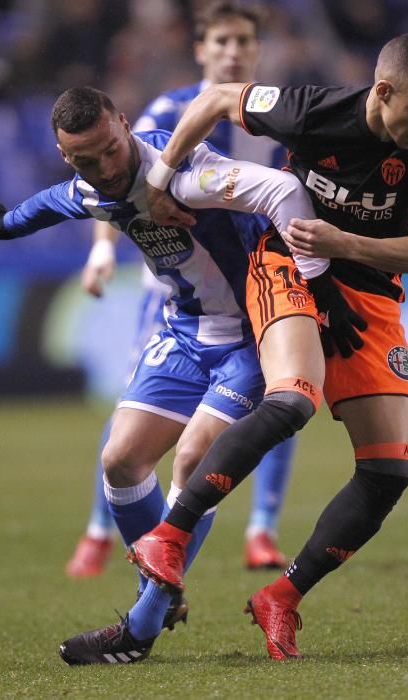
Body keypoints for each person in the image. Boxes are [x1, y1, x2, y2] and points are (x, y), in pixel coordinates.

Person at [0, 85, 332, 664]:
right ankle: (158, 592)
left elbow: (278, 189)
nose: (105, 168)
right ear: (67, 156)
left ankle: (142, 624)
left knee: (191, 458)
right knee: (120, 459)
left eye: (111, 149)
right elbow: (34, 211)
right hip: (184, 333)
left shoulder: (182, 170)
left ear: (125, 124)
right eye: (87, 160)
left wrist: (313, 278)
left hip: (250, 336)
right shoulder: (88, 188)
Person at [128, 32, 408, 660]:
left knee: (391, 467)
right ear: (382, 91)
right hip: (287, 264)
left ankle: (281, 597)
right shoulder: (313, 109)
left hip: (368, 288)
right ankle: (169, 536)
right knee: (294, 399)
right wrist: (161, 176)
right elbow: (215, 100)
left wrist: (344, 243)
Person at [66, 0, 294, 579]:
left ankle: (261, 528)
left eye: (243, 41)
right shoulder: (167, 110)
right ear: (200, 50)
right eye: (221, 42)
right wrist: (101, 251)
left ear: (257, 49)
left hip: (255, 292)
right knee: (136, 407)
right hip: (174, 290)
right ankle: (99, 529)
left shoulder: (277, 115)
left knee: (282, 399)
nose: (233, 51)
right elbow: (110, 178)